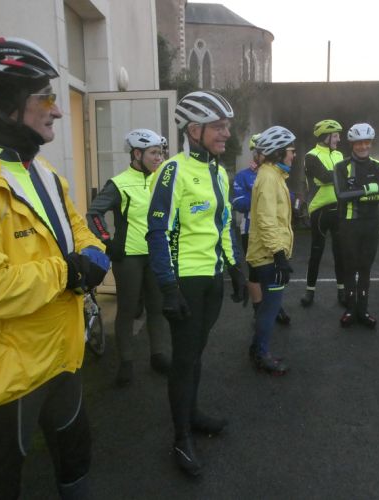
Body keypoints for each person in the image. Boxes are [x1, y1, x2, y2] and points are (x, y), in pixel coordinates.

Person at [0, 37, 110, 499]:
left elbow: (78, 230)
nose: (59, 110)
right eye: (46, 98)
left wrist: (92, 254)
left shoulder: (43, 171)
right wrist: (69, 273)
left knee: (77, 464)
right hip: (9, 377)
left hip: (63, 355)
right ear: (8, 104)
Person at [146, 90, 247, 477]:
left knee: (196, 352)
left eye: (227, 126)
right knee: (185, 359)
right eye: (219, 127)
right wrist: (168, 287)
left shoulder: (218, 171)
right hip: (185, 281)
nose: (226, 134)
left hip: (212, 279)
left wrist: (235, 268)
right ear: (194, 130)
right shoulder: (172, 171)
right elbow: (158, 232)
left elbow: (224, 224)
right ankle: (181, 437)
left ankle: (193, 413)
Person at [86, 128, 170, 387]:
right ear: (136, 154)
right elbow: (94, 213)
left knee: (157, 308)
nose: (159, 157)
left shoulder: (162, 180)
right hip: (129, 258)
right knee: (127, 310)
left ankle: (158, 356)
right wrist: (108, 242)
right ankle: (126, 362)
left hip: (157, 255)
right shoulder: (119, 183)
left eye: (160, 152)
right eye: (153, 153)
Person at [246, 125, 296, 375]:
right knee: (270, 308)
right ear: (278, 152)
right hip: (268, 256)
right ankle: (262, 355)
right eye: (290, 150)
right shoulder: (269, 178)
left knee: (268, 306)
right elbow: (266, 219)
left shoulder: (272, 175)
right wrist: (279, 256)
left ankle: (256, 348)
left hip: (266, 253)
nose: (293, 155)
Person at [333, 123, 379, 328]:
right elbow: (341, 195)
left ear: (371, 143)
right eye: (359, 143)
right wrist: (369, 189)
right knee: (349, 267)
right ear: (352, 144)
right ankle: (350, 309)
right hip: (349, 224)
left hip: (371, 224)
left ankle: (363, 310)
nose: (363, 146)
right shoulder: (341, 167)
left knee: (365, 267)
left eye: (366, 142)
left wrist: (357, 193)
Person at [232, 133, 291, 324]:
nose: (263, 155)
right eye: (258, 151)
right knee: (255, 273)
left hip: (273, 231)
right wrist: (261, 198)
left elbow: (284, 198)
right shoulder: (244, 176)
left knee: (274, 272)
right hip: (250, 230)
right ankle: (259, 308)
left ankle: (275, 307)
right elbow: (238, 203)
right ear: (255, 154)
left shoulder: (276, 173)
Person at [300, 119, 345, 307]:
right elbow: (325, 177)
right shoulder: (311, 156)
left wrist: (341, 176)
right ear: (325, 137)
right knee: (316, 252)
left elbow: (339, 176)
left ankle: (342, 291)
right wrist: (342, 176)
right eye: (335, 136)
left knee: (340, 252)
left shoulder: (339, 155)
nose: (339, 139)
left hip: (339, 209)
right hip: (319, 210)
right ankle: (310, 291)